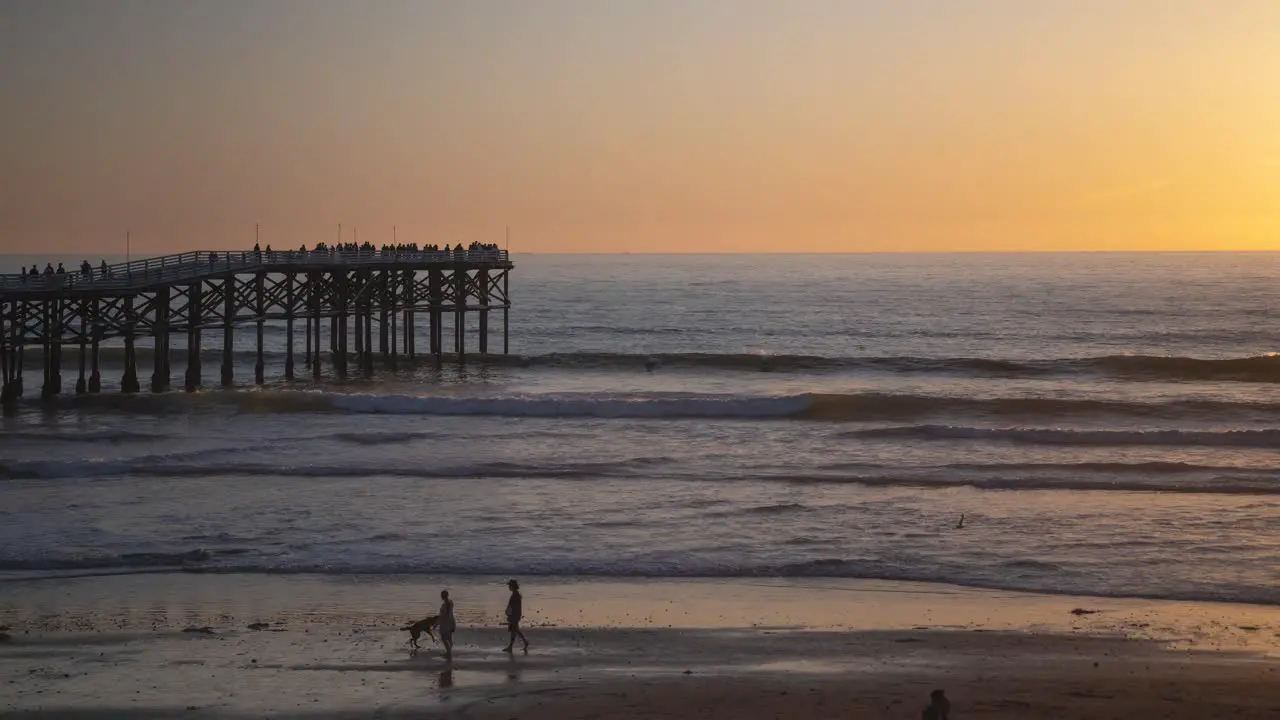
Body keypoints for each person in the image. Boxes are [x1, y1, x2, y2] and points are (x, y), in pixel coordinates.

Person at [502, 579, 529, 653]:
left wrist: (509, 613)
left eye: (509, 585)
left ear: (512, 586)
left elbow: (513, 606)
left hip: (514, 615)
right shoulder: (516, 594)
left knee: (514, 630)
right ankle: (523, 643)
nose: (509, 587)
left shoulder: (515, 595)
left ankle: (512, 646)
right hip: (515, 614)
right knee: (514, 630)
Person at [438, 590, 456, 661]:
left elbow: (443, 616)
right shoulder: (451, 602)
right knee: (449, 639)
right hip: (451, 622)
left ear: (442, 596)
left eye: (441, 595)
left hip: (445, 624)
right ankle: (448, 652)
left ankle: (448, 653)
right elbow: (449, 614)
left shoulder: (445, 605)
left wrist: (436, 623)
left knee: (444, 638)